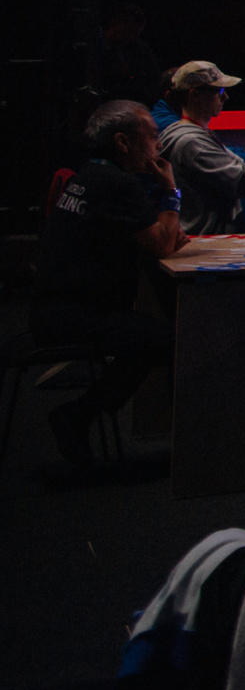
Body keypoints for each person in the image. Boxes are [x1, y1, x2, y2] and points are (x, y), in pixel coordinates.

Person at [31, 101, 187, 465]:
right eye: (151, 135)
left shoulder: (89, 176)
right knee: (173, 340)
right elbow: (164, 244)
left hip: (52, 310)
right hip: (76, 317)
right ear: (122, 142)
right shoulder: (117, 184)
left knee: (155, 335)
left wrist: (162, 233)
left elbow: (154, 237)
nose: (158, 145)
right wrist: (170, 190)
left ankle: (82, 415)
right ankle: (79, 414)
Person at [158, 60, 245, 239]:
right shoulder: (191, 143)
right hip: (207, 243)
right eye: (219, 91)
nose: (225, 97)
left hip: (208, 239)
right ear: (195, 95)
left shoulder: (196, 133)